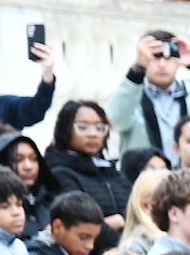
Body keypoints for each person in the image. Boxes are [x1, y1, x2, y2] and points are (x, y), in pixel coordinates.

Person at [107, 27, 190, 166]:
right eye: (155, 57)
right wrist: (136, 71)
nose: (162, 64)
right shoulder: (131, 96)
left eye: (168, 57)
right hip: (144, 184)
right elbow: (115, 120)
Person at [40, 97, 132, 230]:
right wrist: (114, 223)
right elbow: (77, 226)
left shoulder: (110, 171)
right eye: (82, 127)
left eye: (100, 128)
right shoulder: (59, 173)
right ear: (65, 130)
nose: (93, 134)